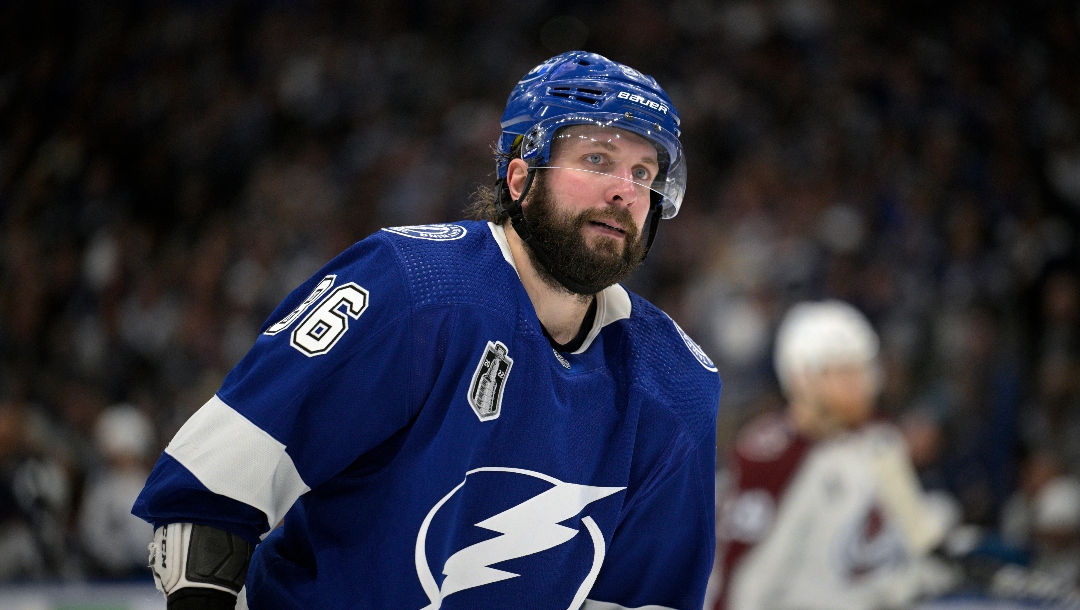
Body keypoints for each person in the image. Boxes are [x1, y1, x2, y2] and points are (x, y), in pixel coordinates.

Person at [132, 51, 721, 610]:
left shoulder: (676, 382)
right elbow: (214, 494)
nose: (626, 191)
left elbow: (643, 596)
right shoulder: (410, 289)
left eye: (644, 172)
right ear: (520, 177)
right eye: (597, 160)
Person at [713, 300, 955, 610]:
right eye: (843, 372)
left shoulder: (881, 440)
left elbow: (917, 535)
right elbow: (740, 573)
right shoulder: (769, 452)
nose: (861, 384)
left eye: (864, 369)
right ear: (802, 376)